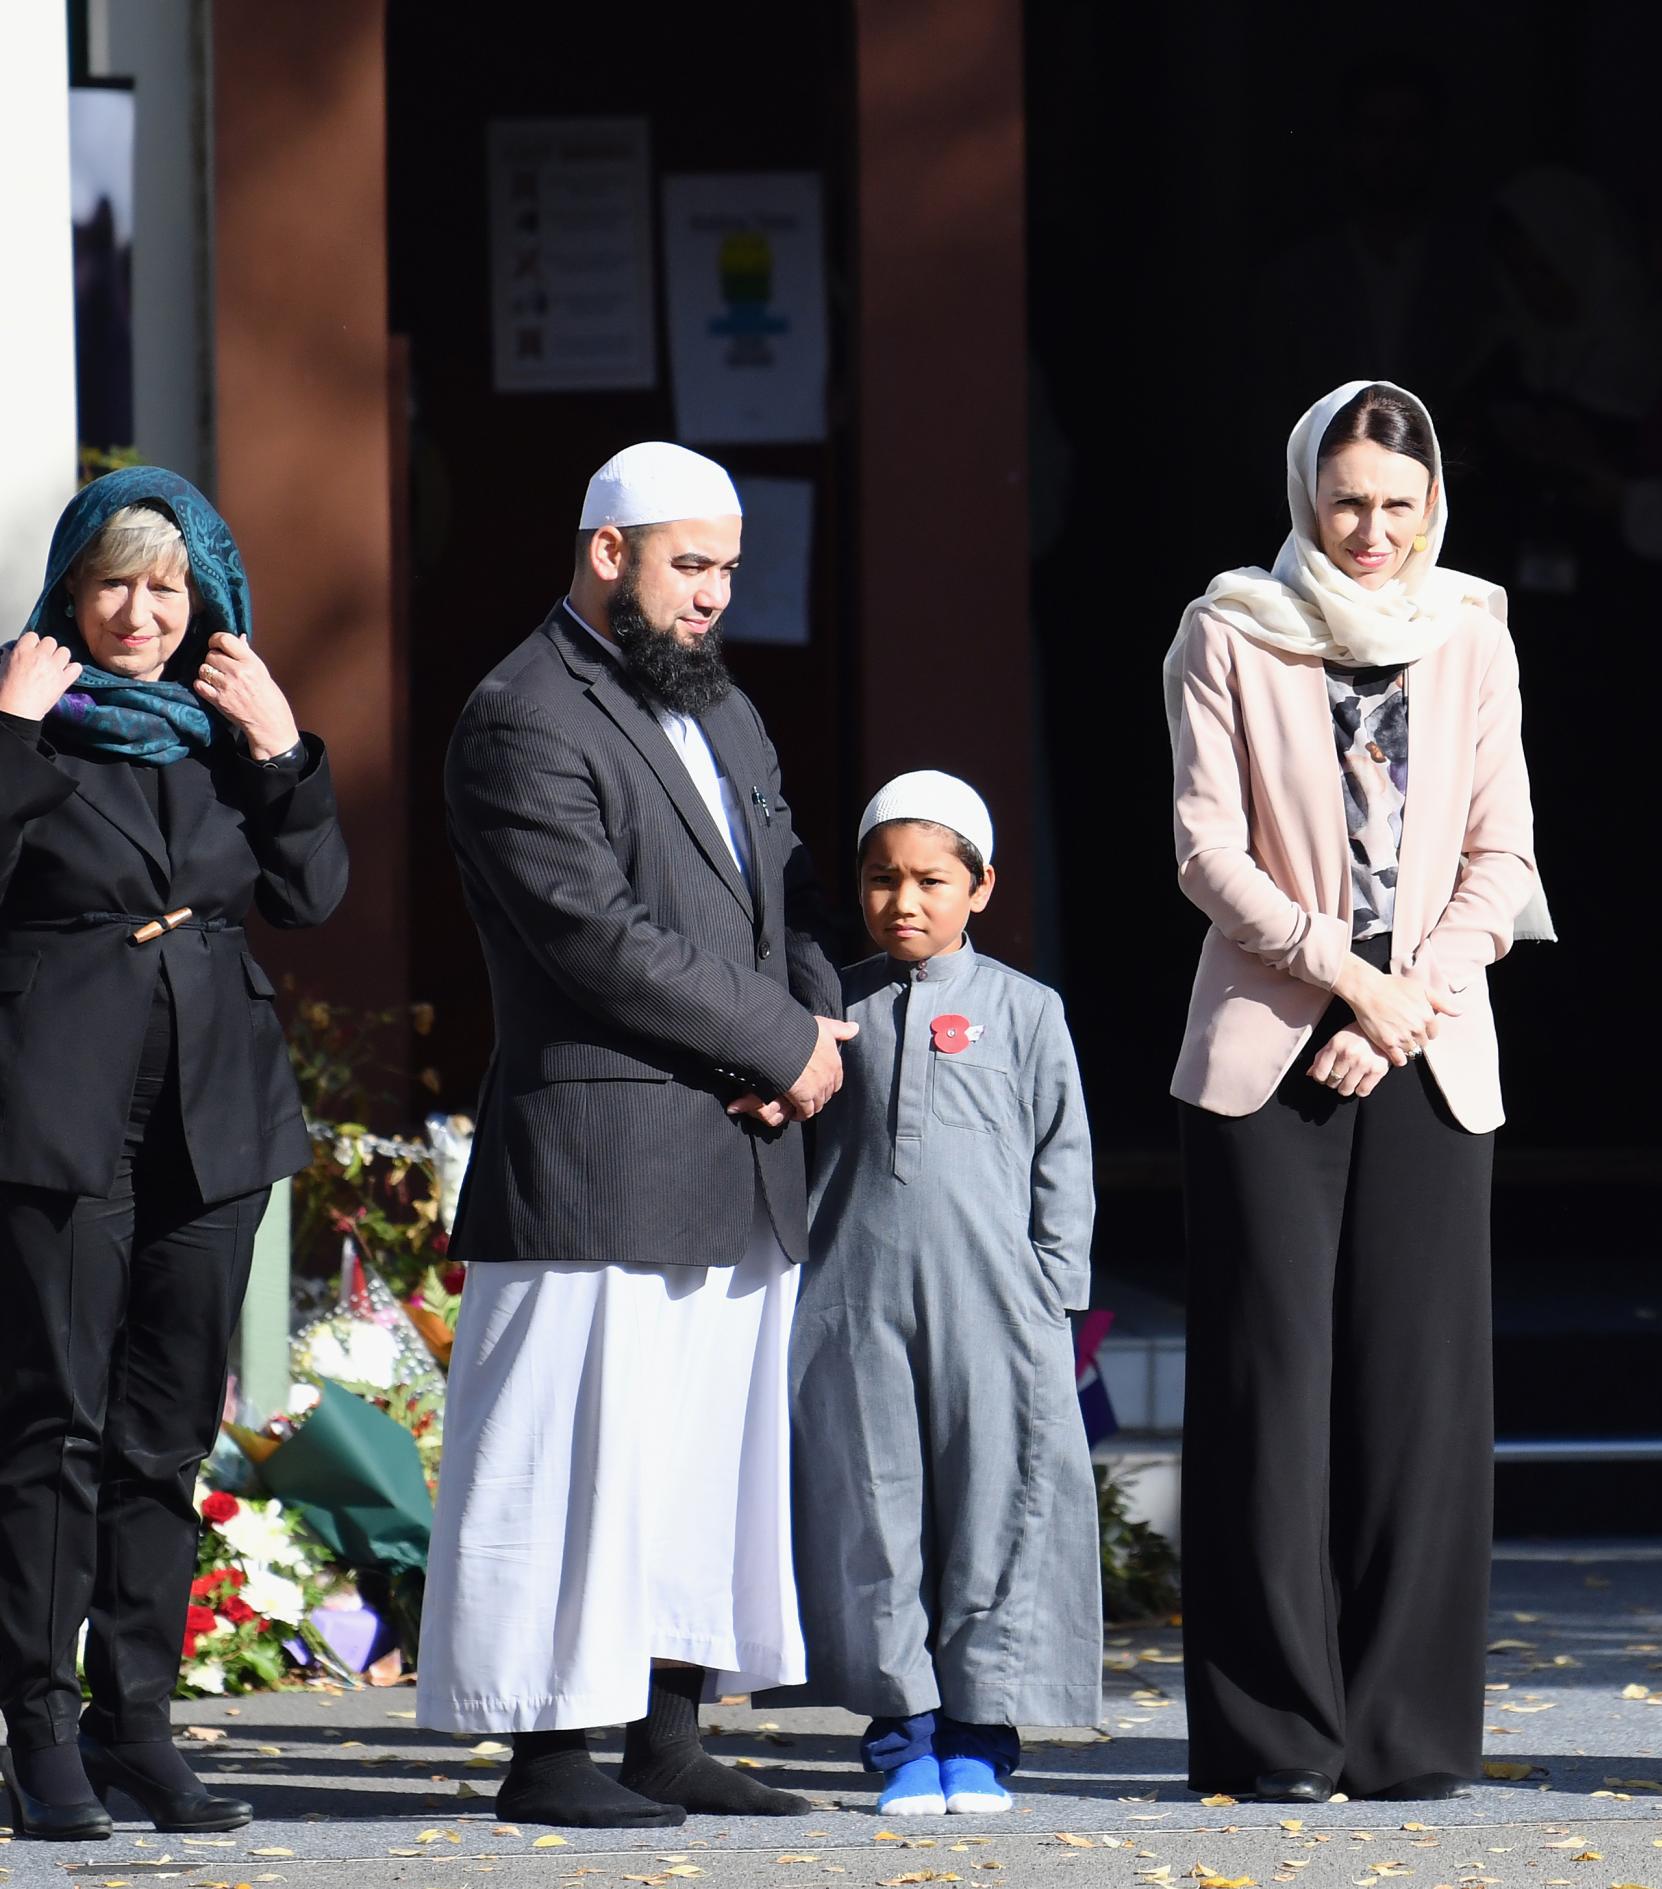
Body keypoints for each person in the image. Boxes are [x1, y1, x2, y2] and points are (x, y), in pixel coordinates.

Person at [417, 443, 849, 1829]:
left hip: (734, 1145)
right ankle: (545, 1758)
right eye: (691, 565)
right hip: (597, 1154)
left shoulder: (719, 704)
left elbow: (783, 891)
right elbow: (596, 940)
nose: (717, 593)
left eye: (728, 566)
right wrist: (780, 1044)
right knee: (572, 1459)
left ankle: (669, 1735)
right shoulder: (519, 713)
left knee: (696, 1458)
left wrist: (816, 1027)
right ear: (610, 552)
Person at [1164, 380, 1549, 1804]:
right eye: (1347, 505)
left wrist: (1400, 1008)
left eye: (1397, 504)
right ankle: (1274, 1737)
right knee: (1270, 1392)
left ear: (1431, 502)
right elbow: (1205, 849)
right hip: (1269, 1045)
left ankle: (1404, 1735)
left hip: (1432, 1050)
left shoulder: (1476, 629)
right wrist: (1345, 975)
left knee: (1421, 1397)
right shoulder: (1227, 628)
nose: (1373, 531)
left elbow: (1504, 857)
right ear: (1302, 501)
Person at [0, 469, 346, 1840]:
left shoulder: (222, 725)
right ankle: (36, 1726)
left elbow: (314, 896)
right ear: (72, 593)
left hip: (214, 1112)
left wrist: (280, 749)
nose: (141, 613)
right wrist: (10, 728)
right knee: (52, 1426)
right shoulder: (28, 706)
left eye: (167, 586)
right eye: (114, 584)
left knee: (162, 1431)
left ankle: (134, 1719)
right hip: (57, 1107)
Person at [769, 771, 1099, 1817]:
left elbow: (1064, 1158)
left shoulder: (1027, 1010)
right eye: (880, 878)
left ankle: (980, 1729)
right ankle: (902, 1729)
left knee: (994, 1505)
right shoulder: (830, 1010)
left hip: (999, 1307)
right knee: (874, 1507)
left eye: (929, 879)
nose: (902, 902)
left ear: (980, 886)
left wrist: (1055, 1291)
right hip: (855, 1299)